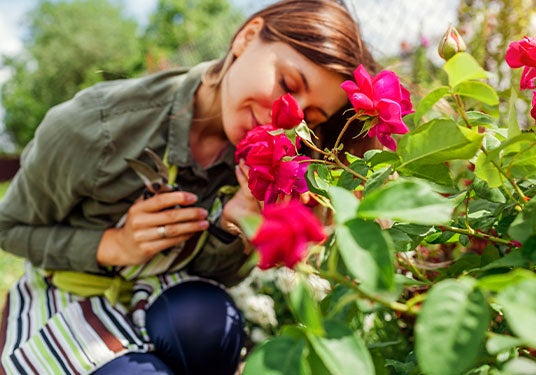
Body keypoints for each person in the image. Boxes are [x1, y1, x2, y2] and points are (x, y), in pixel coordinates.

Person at [0, 0, 380, 373]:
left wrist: (236, 224)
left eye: (310, 118)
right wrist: (114, 245)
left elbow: (211, 277)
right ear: (247, 38)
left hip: (164, 294)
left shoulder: (272, 161)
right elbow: (9, 227)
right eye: (288, 83)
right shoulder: (95, 127)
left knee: (211, 329)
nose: (289, 117)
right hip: (72, 290)